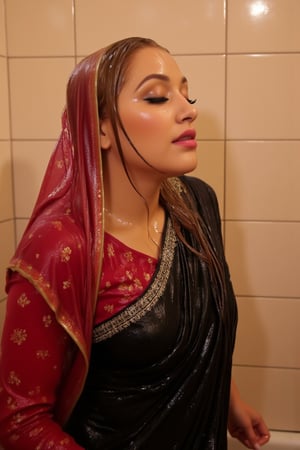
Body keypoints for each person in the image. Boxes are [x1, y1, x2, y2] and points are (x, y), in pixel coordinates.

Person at [0, 37, 270, 450]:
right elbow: (20, 421)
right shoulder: (61, 247)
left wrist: (231, 401)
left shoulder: (198, 202)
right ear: (101, 126)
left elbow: (204, 327)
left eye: (186, 93)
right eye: (159, 97)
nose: (189, 109)